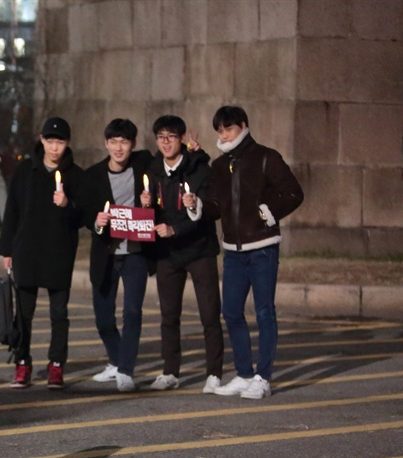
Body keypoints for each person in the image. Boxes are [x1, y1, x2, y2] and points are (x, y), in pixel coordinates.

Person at [204, 106, 304, 399]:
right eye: (220, 131)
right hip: (232, 251)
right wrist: (195, 206)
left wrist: (267, 213)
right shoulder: (219, 166)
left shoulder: (266, 157)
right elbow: (216, 206)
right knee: (231, 311)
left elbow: (294, 193)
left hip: (262, 248)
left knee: (264, 312)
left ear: (243, 126)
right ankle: (244, 373)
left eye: (229, 128)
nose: (224, 135)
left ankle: (263, 377)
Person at [139, 115, 223, 394]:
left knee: (210, 313)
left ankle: (214, 373)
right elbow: (148, 217)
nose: (165, 142)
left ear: (182, 138)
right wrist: (145, 206)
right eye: (160, 136)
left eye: (172, 136)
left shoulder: (198, 167)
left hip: (199, 249)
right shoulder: (151, 171)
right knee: (168, 314)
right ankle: (170, 371)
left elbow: (209, 208)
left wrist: (180, 222)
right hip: (167, 253)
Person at [0, 117, 83, 389]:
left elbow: (82, 216)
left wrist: (67, 203)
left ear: (67, 143)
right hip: (27, 251)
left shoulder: (75, 175)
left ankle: (56, 365)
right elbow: (12, 210)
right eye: (50, 141)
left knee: (59, 314)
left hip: (59, 252)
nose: (55, 147)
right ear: (42, 140)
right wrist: (7, 248)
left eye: (60, 141)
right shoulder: (25, 170)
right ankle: (22, 362)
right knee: (23, 313)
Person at [81, 118, 153, 391]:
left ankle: (126, 369)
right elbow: (87, 215)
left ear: (133, 144)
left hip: (135, 252)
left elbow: (173, 165)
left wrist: (151, 201)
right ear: (106, 144)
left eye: (124, 142)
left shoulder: (145, 164)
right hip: (105, 252)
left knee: (133, 312)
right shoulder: (93, 175)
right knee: (103, 317)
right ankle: (116, 359)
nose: (119, 147)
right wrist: (98, 221)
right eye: (114, 142)